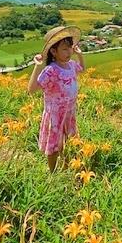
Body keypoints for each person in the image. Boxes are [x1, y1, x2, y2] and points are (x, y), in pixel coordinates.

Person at [27, 25, 85, 171]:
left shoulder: (71, 65)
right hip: (55, 116)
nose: (69, 52)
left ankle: (65, 169)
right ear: (53, 51)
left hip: (69, 114)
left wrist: (80, 55)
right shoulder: (51, 70)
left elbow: (82, 69)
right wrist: (37, 67)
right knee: (53, 146)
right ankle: (52, 171)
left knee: (67, 142)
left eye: (70, 47)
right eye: (65, 49)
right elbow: (32, 90)